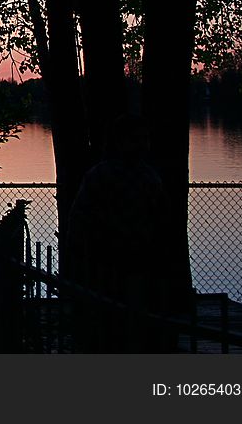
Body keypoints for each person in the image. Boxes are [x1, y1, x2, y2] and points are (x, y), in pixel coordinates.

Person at [68, 114, 168, 351]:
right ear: (121, 141)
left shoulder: (142, 177)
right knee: (119, 320)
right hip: (111, 261)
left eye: (144, 139)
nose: (143, 145)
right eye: (137, 140)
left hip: (129, 261)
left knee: (117, 320)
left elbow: (78, 219)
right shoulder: (121, 176)